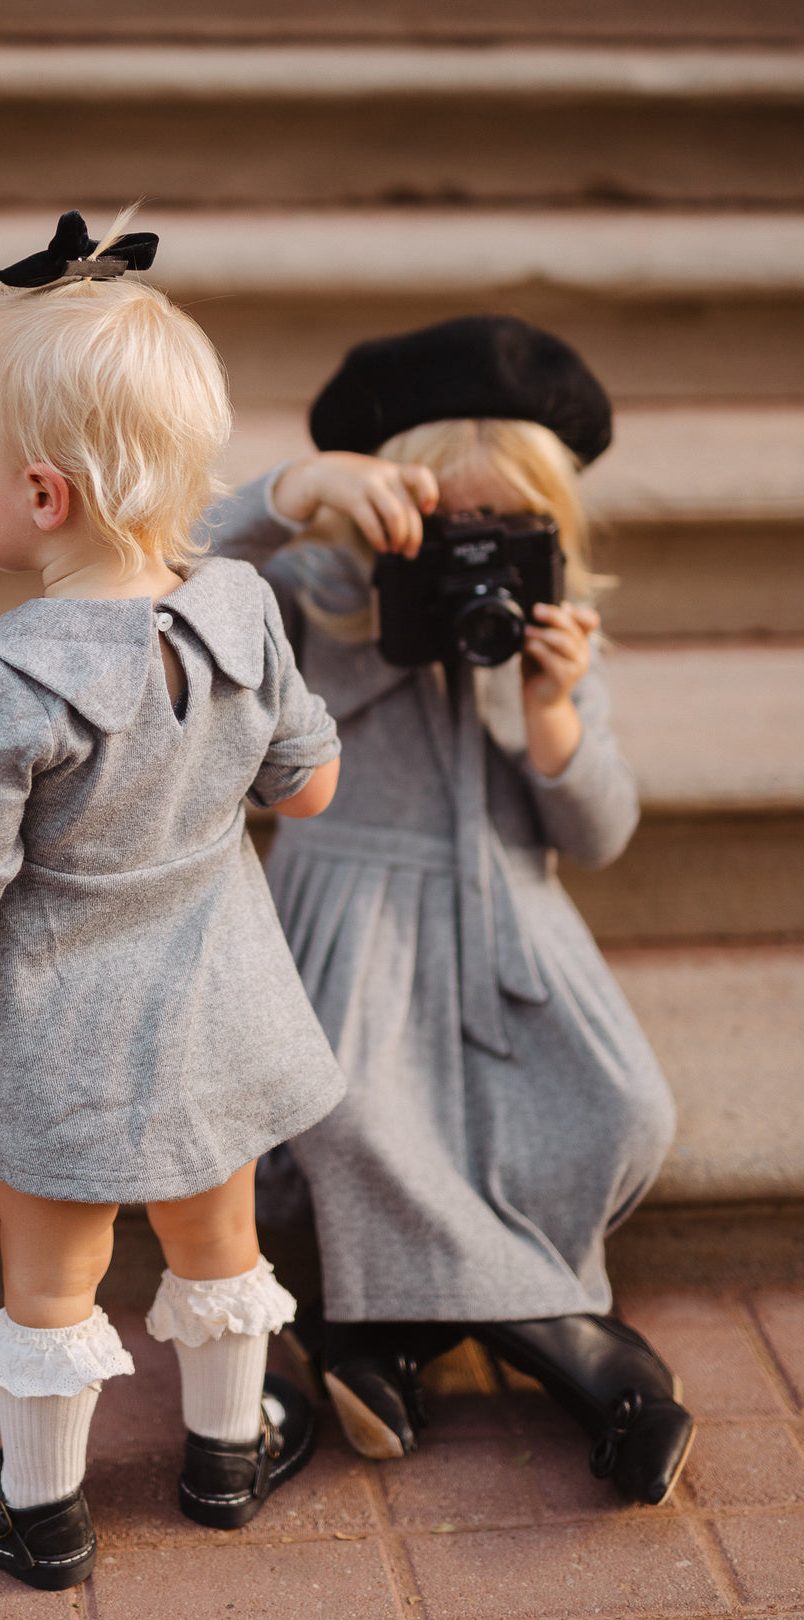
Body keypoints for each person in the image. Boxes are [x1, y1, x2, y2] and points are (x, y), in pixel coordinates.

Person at [0, 211, 345, 1591]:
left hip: (68, 1049)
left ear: (41, 497)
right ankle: (226, 1457)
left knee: (54, 1275)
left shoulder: (7, 673)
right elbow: (308, 789)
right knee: (216, 1234)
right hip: (219, 1017)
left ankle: (38, 1510)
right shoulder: (241, 611)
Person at [204, 315, 694, 1506]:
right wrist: (294, 492)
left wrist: (555, 718)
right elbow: (163, 566)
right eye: (446, 531)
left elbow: (601, 834)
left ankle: (382, 1339)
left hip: (517, 929)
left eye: (507, 536)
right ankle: (576, 1351)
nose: (477, 563)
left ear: (553, 533)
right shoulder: (310, 605)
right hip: (350, 919)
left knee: (627, 1109)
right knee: (359, 1119)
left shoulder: (550, 635)